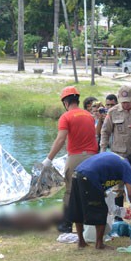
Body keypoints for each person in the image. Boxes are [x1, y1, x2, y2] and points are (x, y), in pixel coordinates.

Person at [42, 87, 99, 233]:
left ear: (65, 103)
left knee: (70, 191)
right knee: (89, 190)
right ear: (78, 100)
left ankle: (66, 224)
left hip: (76, 157)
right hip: (93, 157)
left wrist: (49, 159)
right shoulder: (89, 116)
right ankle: (91, 223)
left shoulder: (66, 117)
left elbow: (61, 139)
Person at [68, 152, 131, 249]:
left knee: (78, 208)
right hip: (89, 176)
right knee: (101, 210)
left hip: (77, 173)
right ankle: (99, 244)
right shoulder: (127, 166)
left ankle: (81, 242)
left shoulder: (118, 160)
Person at [100, 85, 131, 212]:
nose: (126, 105)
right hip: (119, 155)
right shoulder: (112, 112)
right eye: (123, 102)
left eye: (128, 102)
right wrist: (103, 151)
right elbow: (105, 132)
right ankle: (118, 216)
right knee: (117, 187)